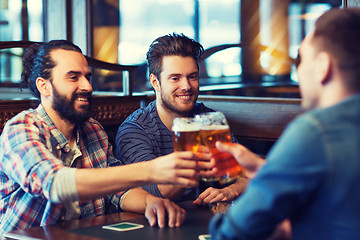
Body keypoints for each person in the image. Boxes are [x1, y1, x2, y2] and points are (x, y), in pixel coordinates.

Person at [0, 40, 212, 237]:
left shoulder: (92, 129)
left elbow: (118, 191)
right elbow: (54, 184)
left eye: (87, 77)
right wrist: (153, 169)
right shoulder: (21, 129)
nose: (87, 87)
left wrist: (151, 202)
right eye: (73, 77)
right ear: (43, 86)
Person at [209, 8, 360, 239]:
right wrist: (266, 170)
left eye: (302, 59)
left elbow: (231, 233)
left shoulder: (315, 131)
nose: (298, 72)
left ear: (323, 66)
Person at [115, 33, 247, 205]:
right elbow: (158, 192)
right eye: (175, 78)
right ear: (155, 82)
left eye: (192, 77)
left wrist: (229, 191)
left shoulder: (208, 120)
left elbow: (247, 175)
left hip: (205, 220)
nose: (186, 86)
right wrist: (196, 158)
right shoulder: (135, 130)